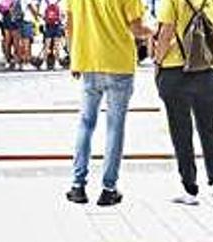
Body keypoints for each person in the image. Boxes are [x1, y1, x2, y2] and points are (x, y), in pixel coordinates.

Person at [64, 0, 152, 206]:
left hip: (88, 62)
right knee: (115, 127)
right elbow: (137, 28)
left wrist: (74, 57)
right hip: (119, 64)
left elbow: (70, 25)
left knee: (86, 124)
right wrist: (154, 30)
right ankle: (108, 189)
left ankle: (78, 186)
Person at [151, 0, 213, 205]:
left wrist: (158, 63)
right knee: (208, 128)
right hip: (207, 72)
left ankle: (190, 189)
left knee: (181, 132)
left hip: (175, 71)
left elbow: (166, 34)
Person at [39, 0, 66, 70]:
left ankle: (44, 63)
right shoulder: (60, 1)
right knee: (56, 44)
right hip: (57, 25)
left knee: (47, 44)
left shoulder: (45, 1)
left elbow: (41, 14)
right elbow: (63, 14)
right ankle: (56, 62)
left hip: (48, 25)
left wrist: (45, 21)